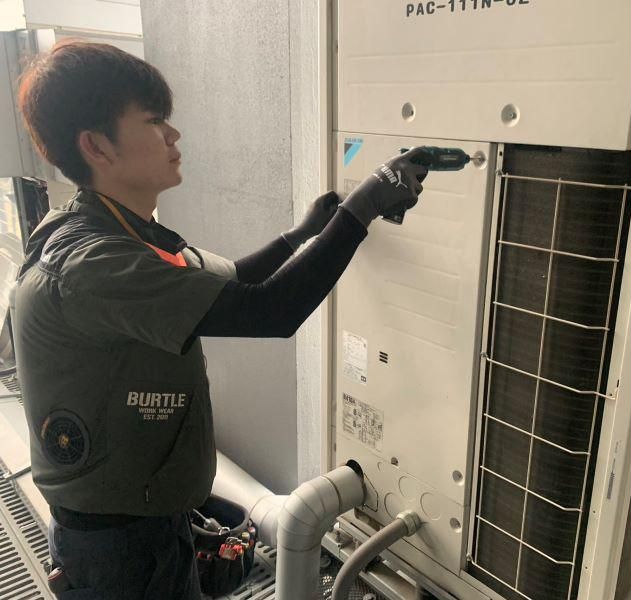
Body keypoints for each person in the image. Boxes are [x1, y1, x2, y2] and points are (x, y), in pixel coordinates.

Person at [13, 40, 428, 599]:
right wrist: (363, 208)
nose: (173, 134)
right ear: (97, 146)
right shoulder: (91, 263)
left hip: (149, 520)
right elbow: (270, 311)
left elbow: (235, 283)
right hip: (117, 549)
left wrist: (302, 235)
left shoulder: (125, 232)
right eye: (153, 121)